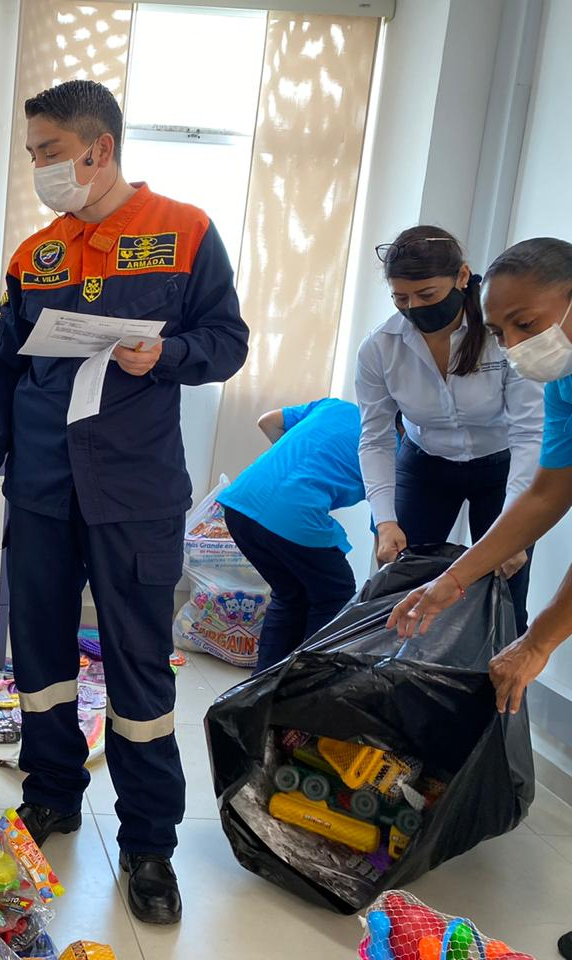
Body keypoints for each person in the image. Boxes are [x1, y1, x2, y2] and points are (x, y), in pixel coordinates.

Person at [0, 79, 248, 925]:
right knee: (42, 663)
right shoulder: (35, 256)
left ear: (100, 148)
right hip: (44, 490)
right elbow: (1, 377)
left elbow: (227, 345)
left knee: (136, 671)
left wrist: (160, 354)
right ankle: (50, 793)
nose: (42, 169)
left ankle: (149, 844)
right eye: (34, 157)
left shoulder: (184, 233)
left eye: (50, 154)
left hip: (134, 492)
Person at [380, 238, 572, 960]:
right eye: (503, 330)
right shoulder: (565, 383)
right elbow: (550, 492)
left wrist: (538, 640)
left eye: (527, 323)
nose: (516, 345)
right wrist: (449, 580)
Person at [355, 226, 543, 633]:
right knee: (398, 586)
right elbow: (375, 435)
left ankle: (499, 692)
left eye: (427, 295)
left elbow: (531, 434)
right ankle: (392, 690)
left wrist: (513, 527)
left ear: (462, 277)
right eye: (401, 298)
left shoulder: (500, 338)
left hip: (503, 468)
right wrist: (384, 520)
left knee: (508, 589)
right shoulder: (380, 347)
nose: (415, 308)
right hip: (426, 466)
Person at [217, 398, 364, 673]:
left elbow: (268, 421)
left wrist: (291, 474)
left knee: (290, 594)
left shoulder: (335, 407)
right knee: (335, 594)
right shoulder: (391, 448)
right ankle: (305, 685)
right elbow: (386, 530)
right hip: (291, 515)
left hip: (242, 504)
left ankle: (261, 688)